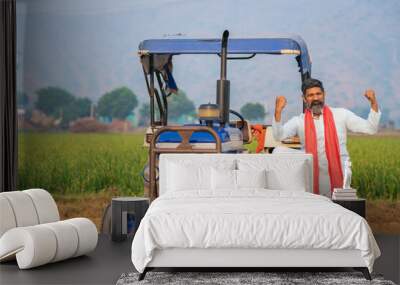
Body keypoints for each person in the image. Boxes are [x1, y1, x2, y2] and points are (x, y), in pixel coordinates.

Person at [272, 78, 381, 197]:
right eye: (310, 95)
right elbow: (279, 135)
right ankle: (284, 195)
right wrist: (278, 111)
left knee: (338, 205)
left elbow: (371, 128)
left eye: (318, 94)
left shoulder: (341, 114)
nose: (315, 98)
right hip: (311, 172)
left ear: (324, 95)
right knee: (278, 152)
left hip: (338, 170)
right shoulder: (299, 121)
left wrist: (373, 102)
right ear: (304, 99)